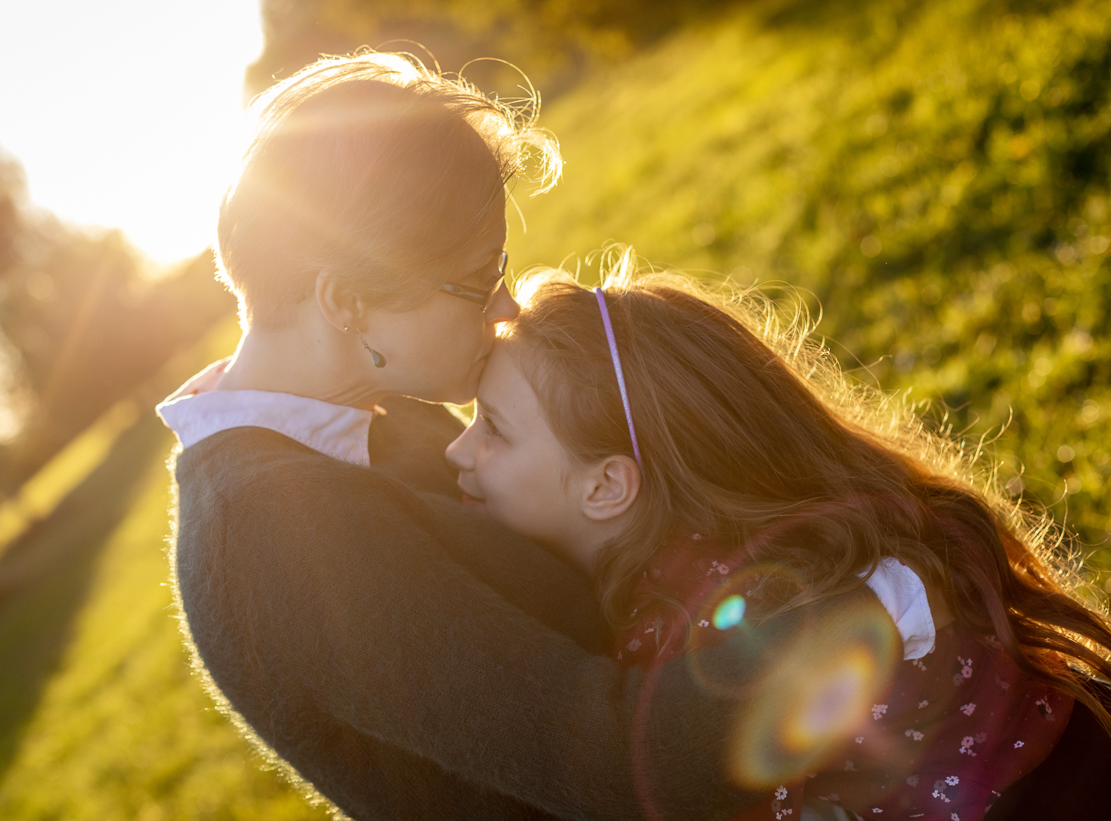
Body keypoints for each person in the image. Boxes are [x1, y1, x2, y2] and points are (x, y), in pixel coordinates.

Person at [159, 50, 890, 820]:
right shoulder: (267, 533)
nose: (504, 306)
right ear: (346, 301)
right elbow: (602, 755)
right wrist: (867, 613)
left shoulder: (375, 409)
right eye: (476, 278)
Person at [443, 256, 1111, 820]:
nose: (457, 448)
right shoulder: (729, 547)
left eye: (494, 429)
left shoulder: (704, 632)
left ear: (606, 486)